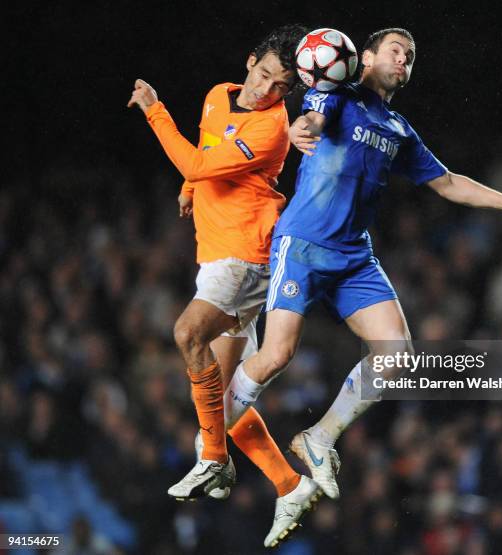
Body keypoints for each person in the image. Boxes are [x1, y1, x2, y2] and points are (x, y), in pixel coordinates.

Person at [220, 26, 502, 514]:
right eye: (397, 50)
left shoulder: (397, 128)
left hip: (355, 257)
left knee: (397, 356)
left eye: (412, 56)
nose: (405, 60)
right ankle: (212, 429)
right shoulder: (338, 94)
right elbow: (314, 116)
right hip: (305, 246)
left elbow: (446, 181)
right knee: (276, 355)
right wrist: (302, 129)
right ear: (368, 57)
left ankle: (319, 438)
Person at [128, 25, 323, 547]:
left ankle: (212, 461)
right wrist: (191, 188)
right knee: (225, 403)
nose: (266, 90)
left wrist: (154, 109)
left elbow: (195, 157)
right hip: (217, 251)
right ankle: (290, 485)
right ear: (250, 61)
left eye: (281, 86)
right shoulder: (219, 96)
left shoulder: (273, 128)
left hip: (244, 254)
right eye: (263, 75)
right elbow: (207, 153)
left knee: (187, 334)